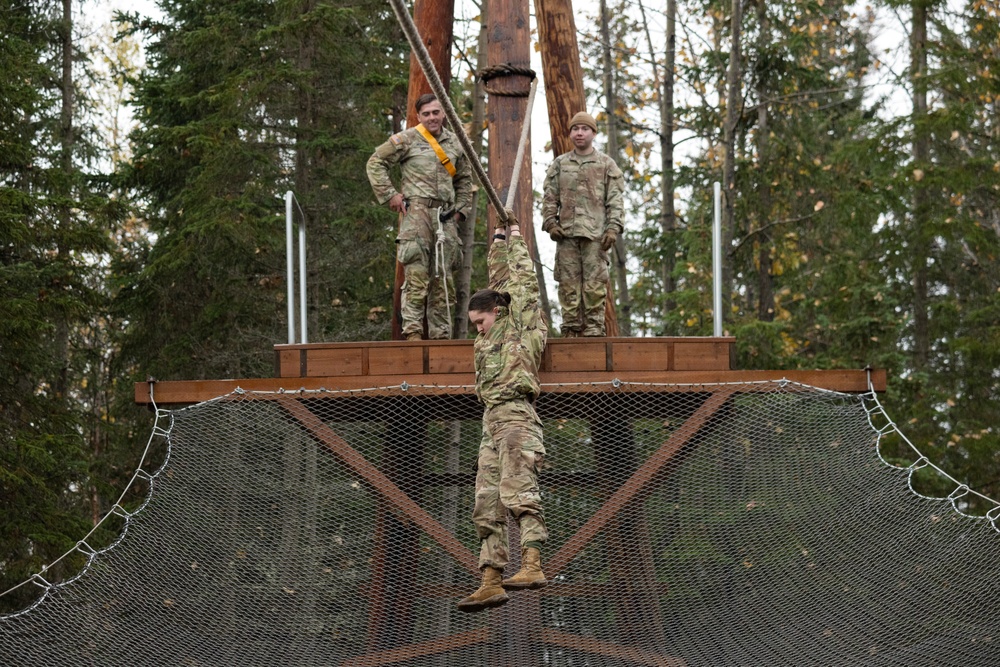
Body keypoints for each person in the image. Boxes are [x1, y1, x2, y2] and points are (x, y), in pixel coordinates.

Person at [457, 214, 548, 613]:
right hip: (489, 422)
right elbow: (495, 282)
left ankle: (533, 563)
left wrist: (514, 237)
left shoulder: (522, 326)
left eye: (481, 321)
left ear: (497, 312)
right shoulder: (485, 336)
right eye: (473, 324)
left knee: (518, 489)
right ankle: (491, 578)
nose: (477, 329)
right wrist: (495, 239)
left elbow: (520, 283)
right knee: (486, 499)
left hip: (516, 418)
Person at [366, 93, 472, 340]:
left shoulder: (456, 143)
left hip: (445, 218)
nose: (432, 117)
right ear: (418, 116)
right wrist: (390, 195)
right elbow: (375, 163)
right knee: (416, 275)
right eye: (426, 114)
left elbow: (465, 179)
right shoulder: (407, 139)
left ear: (443, 113)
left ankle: (441, 337)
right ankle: (413, 334)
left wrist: (460, 211)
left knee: (443, 278)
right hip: (416, 215)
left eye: (436, 112)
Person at [541, 111, 625, 337]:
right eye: (575, 129)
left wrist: (613, 228)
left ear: (593, 133)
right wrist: (550, 222)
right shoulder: (560, 164)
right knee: (567, 284)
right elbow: (550, 197)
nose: (579, 133)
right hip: (566, 235)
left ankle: (594, 330)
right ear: (570, 134)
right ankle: (570, 329)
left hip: (595, 237)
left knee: (595, 285)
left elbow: (615, 200)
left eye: (584, 129)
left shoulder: (606, 164)